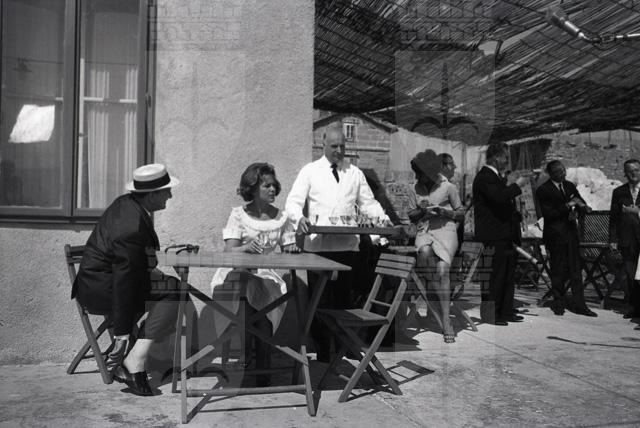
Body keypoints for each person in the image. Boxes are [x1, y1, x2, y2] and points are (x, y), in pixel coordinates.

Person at [285, 125, 393, 361]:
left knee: (344, 299)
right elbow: (293, 202)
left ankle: (344, 346)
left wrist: (383, 225)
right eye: (334, 146)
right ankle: (324, 350)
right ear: (323, 144)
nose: (339, 150)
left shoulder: (354, 173)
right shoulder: (310, 171)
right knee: (319, 300)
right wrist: (299, 219)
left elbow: (368, 204)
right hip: (319, 247)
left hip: (347, 246)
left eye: (342, 146)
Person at [72, 163, 181, 396]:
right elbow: (125, 278)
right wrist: (121, 333)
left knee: (173, 287)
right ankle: (134, 360)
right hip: (103, 291)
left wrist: (153, 270)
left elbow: (130, 263)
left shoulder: (128, 205)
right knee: (176, 292)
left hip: (104, 282)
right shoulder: (131, 223)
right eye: (167, 191)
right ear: (152, 194)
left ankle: (144, 353)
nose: (170, 196)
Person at [209, 163, 299, 384]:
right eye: (267, 185)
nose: (273, 189)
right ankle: (255, 364)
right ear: (253, 187)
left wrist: (293, 249)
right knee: (244, 286)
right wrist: (245, 248)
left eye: (274, 185)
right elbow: (229, 252)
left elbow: (289, 250)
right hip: (237, 272)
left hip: (266, 276)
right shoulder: (238, 215)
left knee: (260, 298)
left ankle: (258, 365)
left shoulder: (282, 218)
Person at [406, 150, 463, 343]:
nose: (418, 178)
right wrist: (422, 211)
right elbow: (411, 216)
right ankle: (438, 303)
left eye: (421, 174)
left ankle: (445, 319)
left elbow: (461, 213)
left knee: (442, 271)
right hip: (425, 231)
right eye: (417, 174)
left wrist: (444, 212)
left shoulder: (448, 187)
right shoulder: (414, 188)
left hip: (446, 231)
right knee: (424, 253)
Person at [473, 143, 528, 325]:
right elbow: (498, 197)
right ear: (496, 157)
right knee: (494, 276)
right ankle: (491, 314)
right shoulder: (485, 177)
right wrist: (516, 185)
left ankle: (505, 310)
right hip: (493, 234)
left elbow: (502, 202)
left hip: (504, 234)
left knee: (506, 274)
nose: (507, 161)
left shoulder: (496, 177)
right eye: (505, 157)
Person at [536, 160, 597, 317]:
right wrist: (568, 206)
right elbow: (549, 214)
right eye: (558, 172)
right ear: (551, 174)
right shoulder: (543, 190)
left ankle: (580, 305)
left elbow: (578, 200)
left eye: (563, 170)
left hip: (571, 234)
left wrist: (583, 208)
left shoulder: (569, 185)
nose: (563, 174)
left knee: (576, 270)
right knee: (557, 270)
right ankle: (559, 303)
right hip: (555, 235)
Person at [609, 159, 640, 321]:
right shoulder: (619, 192)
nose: (633, 173)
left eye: (636, 170)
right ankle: (635, 308)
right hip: (628, 239)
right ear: (625, 173)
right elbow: (614, 219)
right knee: (630, 274)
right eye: (630, 171)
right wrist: (613, 239)